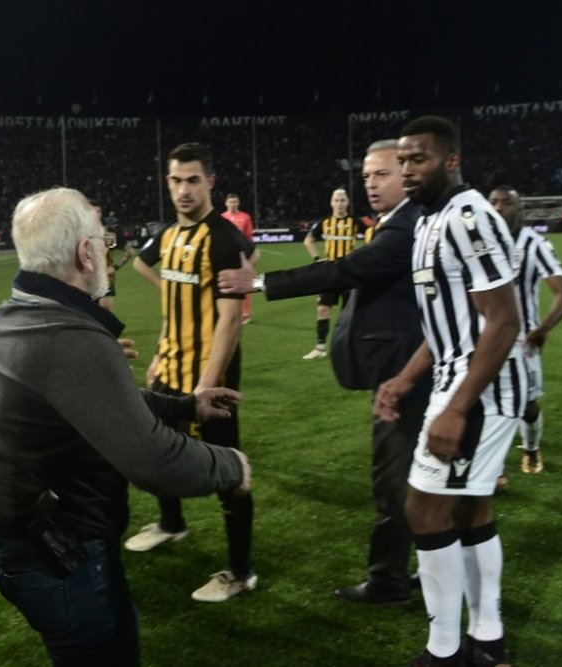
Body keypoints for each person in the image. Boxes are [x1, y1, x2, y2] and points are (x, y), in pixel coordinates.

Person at [0, 186, 250, 665]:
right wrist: (230, 465)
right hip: (62, 551)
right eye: (101, 244)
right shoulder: (71, 335)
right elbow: (153, 460)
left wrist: (185, 406)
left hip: (24, 536)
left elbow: (96, 402)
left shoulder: (12, 315)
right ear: (85, 254)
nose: (105, 255)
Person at [219, 140, 427, 605]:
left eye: (383, 174)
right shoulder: (398, 223)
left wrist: (257, 281)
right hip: (405, 369)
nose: (371, 183)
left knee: (394, 480)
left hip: (407, 374)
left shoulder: (406, 226)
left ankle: (390, 580)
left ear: (407, 175)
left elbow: (348, 269)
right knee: (417, 478)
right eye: (367, 175)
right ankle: (424, 568)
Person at [374, 116, 524, 667]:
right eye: (404, 160)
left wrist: (456, 408)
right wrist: (406, 378)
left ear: (451, 160)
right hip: (458, 380)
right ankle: (488, 640)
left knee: (424, 509)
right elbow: (449, 326)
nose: (408, 170)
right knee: (470, 512)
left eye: (420, 159)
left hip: (478, 391)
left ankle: (445, 651)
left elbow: (502, 322)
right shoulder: (429, 221)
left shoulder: (468, 216)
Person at [126, 143, 257, 603]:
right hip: (172, 366)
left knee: (228, 471)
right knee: (155, 451)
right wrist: (162, 351)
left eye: (193, 180)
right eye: (176, 180)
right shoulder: (167, 237)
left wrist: (209, 381)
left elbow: (229, 318)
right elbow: (173, 303)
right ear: (167, 182)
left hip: (208, 377)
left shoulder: (221, 238)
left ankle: (240, 572)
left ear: (210, 183)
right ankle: (171, 523)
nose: (184, 190)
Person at [487, 185, 562, 482]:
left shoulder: (534, 243)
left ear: (519, 209)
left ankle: (532, 448)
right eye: (493, 203)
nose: (498, 208)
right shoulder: (481, 243)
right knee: (486, 403)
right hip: (485, 339)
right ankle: (494, 468)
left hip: (522, 342)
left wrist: (543, 329)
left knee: (527, 405)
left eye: (506, 203)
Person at [301, 188, 364, 359]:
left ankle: (347, 347)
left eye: (342, 200)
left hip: (349, 273)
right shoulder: (325, 222)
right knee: (322, 309)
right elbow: (308, 240)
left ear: (348, 203)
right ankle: (320, 348)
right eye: (336, 200)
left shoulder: (355, 222)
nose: (339, 203)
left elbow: (372, 236)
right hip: (329, 273)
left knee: (347, 314)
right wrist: (317, 258)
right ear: (331, 203)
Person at [222, 193, 257, 324]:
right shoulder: (222, 218)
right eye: (230, 202)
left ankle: (246, 314)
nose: (233, 204)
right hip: (226, 255)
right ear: (226, 203)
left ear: (238, 203)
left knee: (244, 283)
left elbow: (249, 237)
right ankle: (229, 311)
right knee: (226, 283)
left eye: (235, 202)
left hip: (242, 256)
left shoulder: (245, 217)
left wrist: (250, 254)